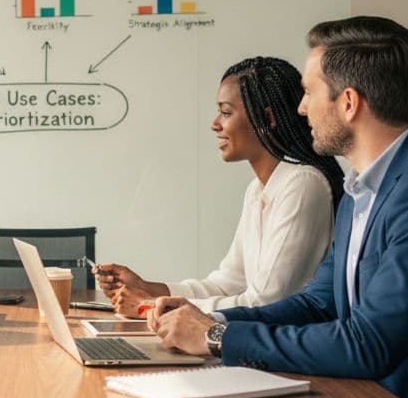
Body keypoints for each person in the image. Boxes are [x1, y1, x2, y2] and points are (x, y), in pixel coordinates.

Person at [149, 16, 408, 398]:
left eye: (310, 92)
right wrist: (214, 323)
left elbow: (369, 344)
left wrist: (216, 340)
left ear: (348, 102)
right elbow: (318, 303)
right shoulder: (364, 188)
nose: (301, 108)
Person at [94, 57, 343, 315]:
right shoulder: (258, 190)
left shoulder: (303, 185)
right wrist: (148, 288)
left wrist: (150, 305)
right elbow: (227, 285)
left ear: (267, 118)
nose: (215, 124)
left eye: (225, 112)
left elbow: (266, 302)